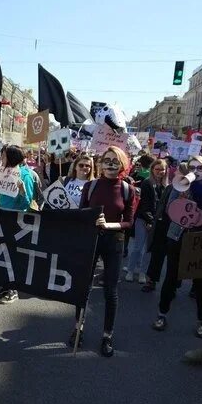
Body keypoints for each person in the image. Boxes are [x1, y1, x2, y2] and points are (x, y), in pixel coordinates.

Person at [69, 146, 136, 357]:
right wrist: (90, 220)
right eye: (107, 160)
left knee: (110, 291)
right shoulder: (91, 186)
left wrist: (110, 225)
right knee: (84, 287)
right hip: (92, 240)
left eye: (115, 161)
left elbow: (129, 222)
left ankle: (107, 335)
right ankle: (77, 328)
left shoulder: (128, 189)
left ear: (122, 165)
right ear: (100, 163)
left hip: (114, 242)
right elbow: (81, 214)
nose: (110, 164)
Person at [152, 156, 202, 338]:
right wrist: (182, 197)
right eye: (193, 167)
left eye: (200, 168)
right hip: (179, 237)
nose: (196, 171)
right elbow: (170, 209)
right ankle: (162, 314)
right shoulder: (180, 186)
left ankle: (201, 321)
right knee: (171, 277)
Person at [0, 144, 35, 304]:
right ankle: (4, 285)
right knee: (2, 253)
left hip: (17, 221)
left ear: (11, 157)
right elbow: (1, 195)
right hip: (2, 217)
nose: (1, 158)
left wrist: (22, 190)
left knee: (13, 255)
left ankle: (13, 289)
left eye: (3, 155)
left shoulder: (25, 175)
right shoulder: (3, 172)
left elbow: (27, 203)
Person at [126, 159, 167, 283]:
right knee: (138, 247)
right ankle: (130, 270)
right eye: (157, 169)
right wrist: (150, 221)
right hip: (143, 219)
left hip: (156, 222)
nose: (160, 172)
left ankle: (143, 272)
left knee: (149, 249)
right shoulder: (147, 183)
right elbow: (145, 204)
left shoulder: (166, 186)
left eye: (162, 169)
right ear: (152, 170)